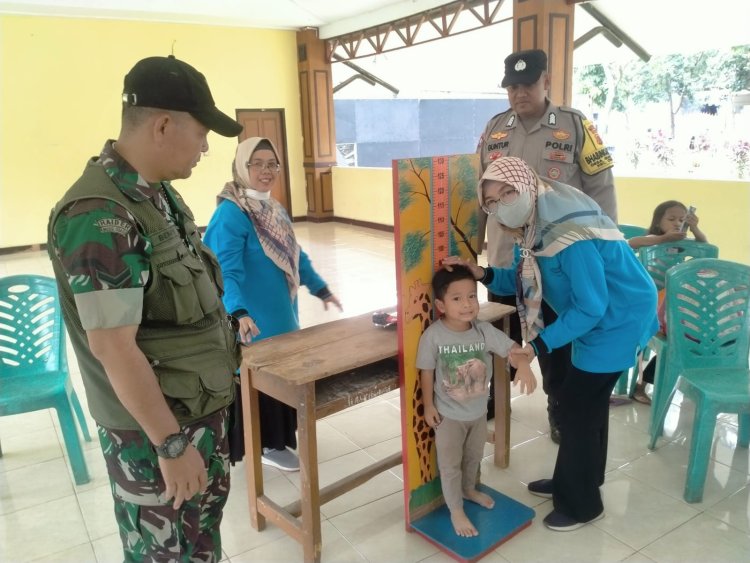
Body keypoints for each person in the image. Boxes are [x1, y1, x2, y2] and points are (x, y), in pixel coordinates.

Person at [47, 55, 243, 561]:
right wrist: (171, 446)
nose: (204, 148)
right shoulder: (100, 215)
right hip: (156, 438)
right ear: (162, 125)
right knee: (165, 553)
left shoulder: (158, 197)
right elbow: (114, 348)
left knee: (199, 543)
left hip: (194, 417)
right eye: (201, 134)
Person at [444, 157, 657, 531]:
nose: (501, 204)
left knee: (576, 409)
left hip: (616, 322)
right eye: (492, 201)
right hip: (599, 320)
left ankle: (582, 505)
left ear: (529, 185)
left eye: (508, 192)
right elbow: (529, 275)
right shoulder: (537, 223)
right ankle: (579, 481)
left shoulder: (564, 231)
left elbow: (592, 306)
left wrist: (538, 345)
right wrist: (484, 273)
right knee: (586, 410)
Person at [476, 48, 617, 441]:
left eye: (528, 84)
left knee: (556, 342)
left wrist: (604, 250)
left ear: (546, 82)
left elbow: (602, 191)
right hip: (507, 258)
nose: (520, 93)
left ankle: (558, 407)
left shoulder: (575, 126)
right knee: (498, 332)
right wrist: (472, 247)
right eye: (513, 87)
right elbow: (478, 194)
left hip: (559, 266)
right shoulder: (495, 128)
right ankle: (492, 395)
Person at [203, 137, 342, 472]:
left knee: (282, 377)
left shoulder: (272, 209)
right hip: (253, 321)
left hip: (281, 315)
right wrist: (238, 313)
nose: (266, 171)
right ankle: (264, 443)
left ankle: (277, 439)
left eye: (272, 164)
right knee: (259, 381)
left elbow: (296, 256)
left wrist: (320, 288)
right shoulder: (231, 215)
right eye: (257, 164)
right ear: (241, 167)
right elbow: (225, 273)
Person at [416, 265, 536, 537]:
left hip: (479, 412)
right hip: (448, 417)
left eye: (472, 296)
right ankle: (455, 509)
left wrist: (524, 364)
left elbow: (512, 350)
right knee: (450, 465)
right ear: (441, 305)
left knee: (473, 457)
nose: (467, 304)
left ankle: (469, 489)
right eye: (456, 298)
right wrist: (429, 405)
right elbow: (426, 371)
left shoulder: (484, 331)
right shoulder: (433, 336)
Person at [627, 201, 709, 403]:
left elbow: (705, 248)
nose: (676, 223)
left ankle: (686, 378)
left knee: (690, 335)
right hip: (652, 304)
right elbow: (631, 243)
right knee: (680, 338)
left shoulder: (683, 245)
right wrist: (664, 238)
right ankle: (641, 386)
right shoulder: (654, 239)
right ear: (658, 221)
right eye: (671, 219)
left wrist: (695, 228)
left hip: (674, 304)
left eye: (681, 220)